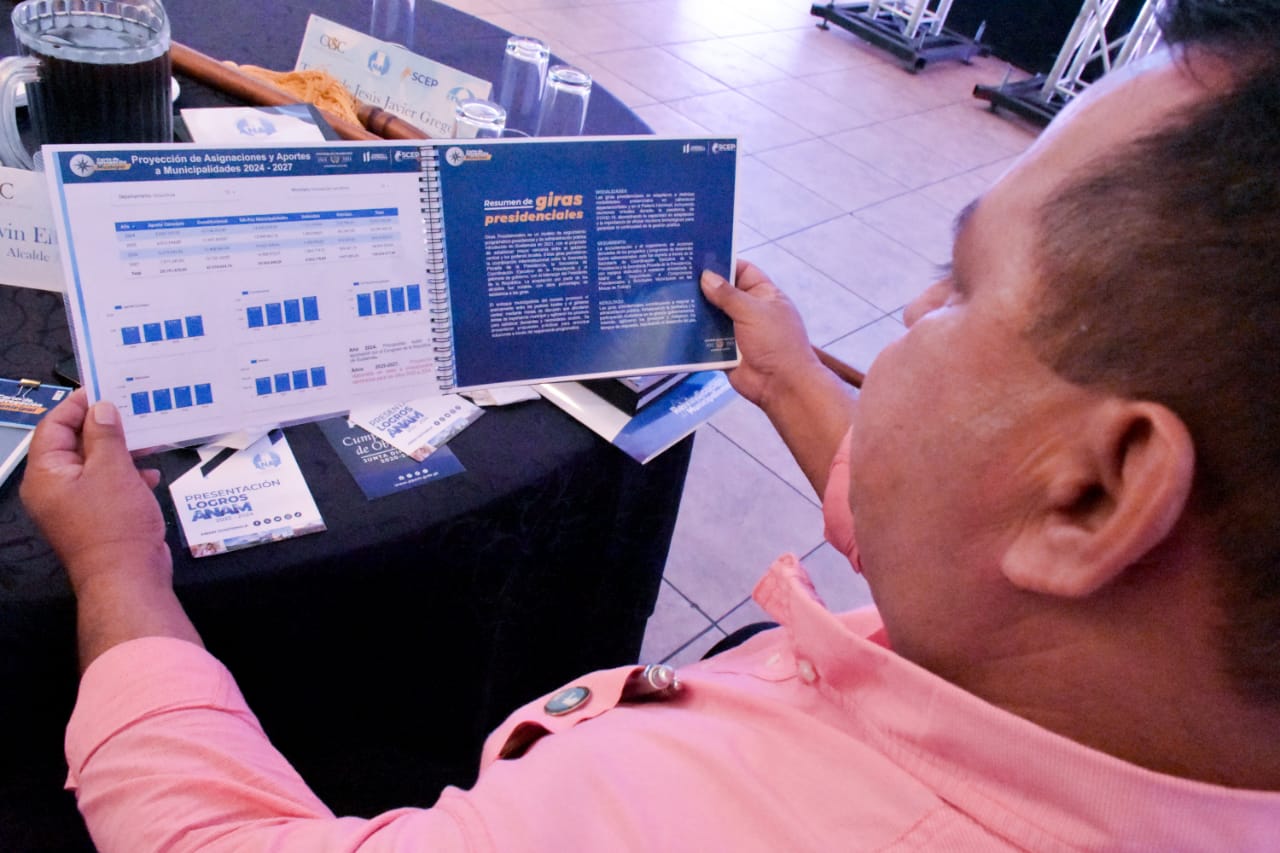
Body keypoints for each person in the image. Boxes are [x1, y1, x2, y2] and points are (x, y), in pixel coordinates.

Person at [19, 0, 1280, 848]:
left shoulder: (663, 819)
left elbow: (217, 837)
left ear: (1096, 493)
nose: (907, 309)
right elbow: (970, 531)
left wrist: (121, 572)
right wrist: (790, 382)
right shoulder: (1140, 688)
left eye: (956, 284)